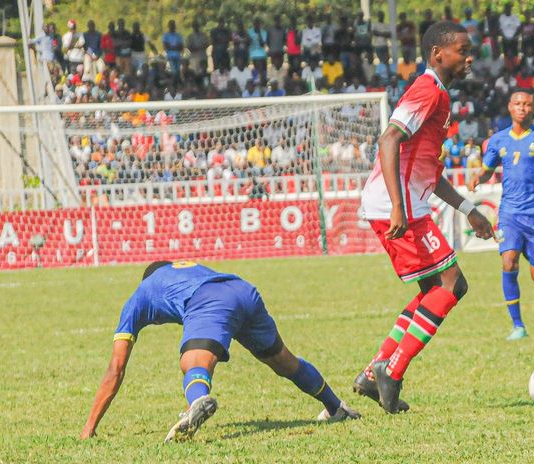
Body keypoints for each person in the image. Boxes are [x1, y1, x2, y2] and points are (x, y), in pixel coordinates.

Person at [354, 21, 494, 414]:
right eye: (462, 51)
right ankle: (391, 371)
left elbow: (427, 171)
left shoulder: (440, 96)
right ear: (438, 54)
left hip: (407, 203)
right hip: (397, 208)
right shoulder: (427, 89)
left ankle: (372, 373)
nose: (469, 58)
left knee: (436, 288)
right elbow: (388, 140)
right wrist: (398, 205)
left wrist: (468, 208)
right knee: (452, 285)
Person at [80, 261, 360, 442]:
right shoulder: (187, 270)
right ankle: (336, 407)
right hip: (242, 290)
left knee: (193, 361)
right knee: (284, 361)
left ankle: (197, 402)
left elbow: (115, 369)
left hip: (209, 300)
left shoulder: (139, 296)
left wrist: (89, 427)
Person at [467, 90, 534, 341]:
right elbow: (487, 170)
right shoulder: (498, 140)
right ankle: (518, 326)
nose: (522, 108)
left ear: (533, 109)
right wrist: (478, 179)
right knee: (508, 263)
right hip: (509, 213)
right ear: (509, 107)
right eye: (518, 104)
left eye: (527, 104)